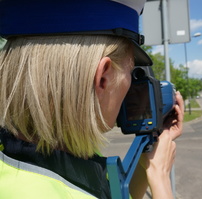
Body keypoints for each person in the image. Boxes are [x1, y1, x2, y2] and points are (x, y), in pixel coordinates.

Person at [0, 0, 184, 198]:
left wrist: (148, 157)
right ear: (103, 77)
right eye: (131, 71)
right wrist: (160, 177)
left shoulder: (32, 160)